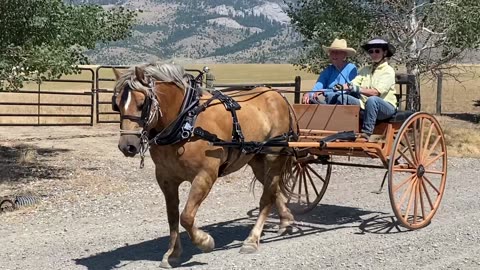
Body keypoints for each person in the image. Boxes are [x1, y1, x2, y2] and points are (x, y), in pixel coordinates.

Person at [335, 38, 398, 140]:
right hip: (365, 105)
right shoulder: (365, 70)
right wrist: (342, 87)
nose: (374, 54)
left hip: (385, 107)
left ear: (384, 53)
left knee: (372, 100)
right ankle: (345, 130)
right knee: (342, 98)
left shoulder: (388, 71)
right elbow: (354, 83)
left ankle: (366, 133)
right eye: (371, 51)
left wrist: (355, 88)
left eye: (377, 51)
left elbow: (376, 92)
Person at [302, 38, 358, 104]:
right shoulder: (328, 70)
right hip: (327, 100)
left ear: (344, 55)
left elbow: (349, 89)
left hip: (343, 102)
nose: (334, 55)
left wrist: (324, 91)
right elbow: (318, 86)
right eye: (332, 52)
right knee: (308, 99)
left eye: (337, 52)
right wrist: (309, 94)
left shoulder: (351, 68)